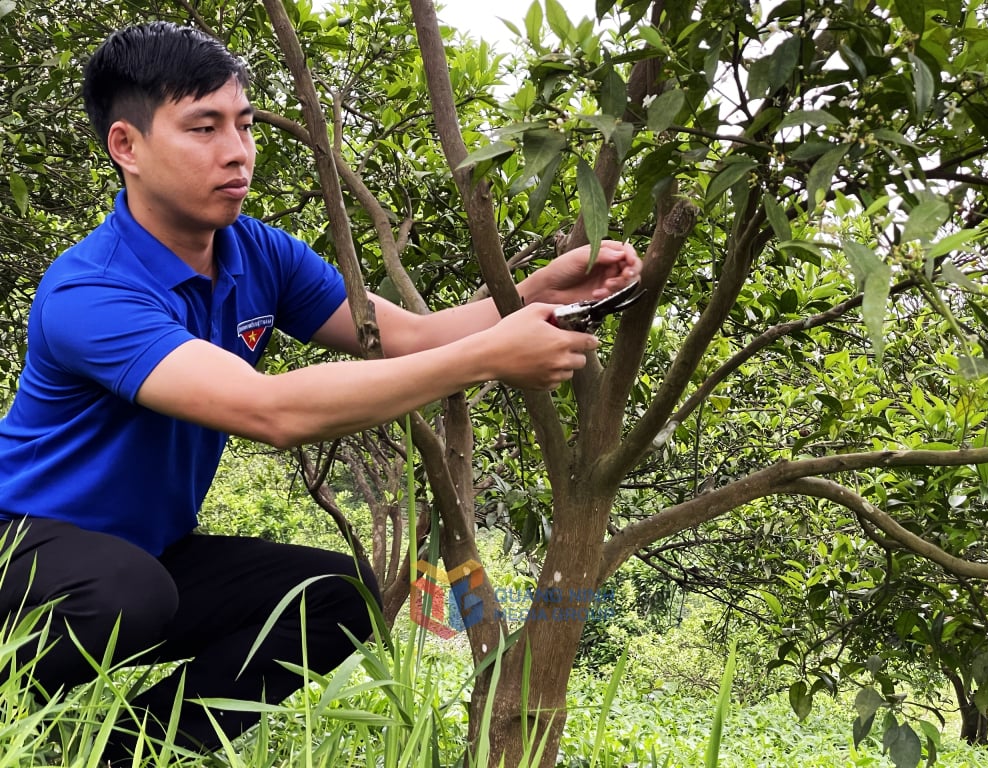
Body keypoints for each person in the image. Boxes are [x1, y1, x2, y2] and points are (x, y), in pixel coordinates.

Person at [0, 20, 641, 763]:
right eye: (203, 128)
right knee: (127, 596)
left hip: (146, 553)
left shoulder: (258, 253)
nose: (238, 152)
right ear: (126, 147)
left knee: (338, 595)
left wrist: (526, 298)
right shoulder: (91, 291)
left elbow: (404, 335)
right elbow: (267, 412)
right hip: (23, 541)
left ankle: (129, 751)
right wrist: (492, 357)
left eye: (242, 124)